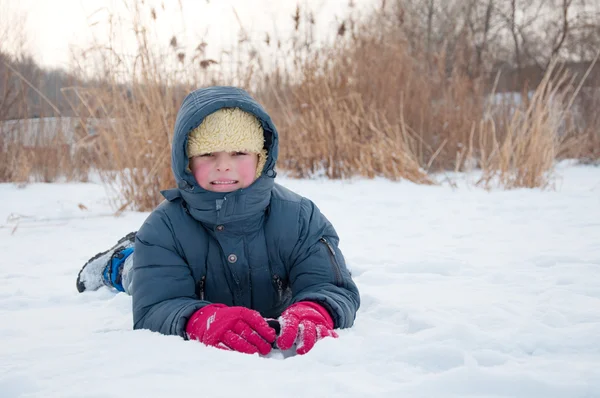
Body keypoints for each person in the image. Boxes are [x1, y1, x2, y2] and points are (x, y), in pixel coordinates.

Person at [76, 86, 360, 356]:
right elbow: (155, 306)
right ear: (187, 161)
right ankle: (121, 259)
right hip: (156, 260)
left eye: (239, 153)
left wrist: (316, 309)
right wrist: (198, 318)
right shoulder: (163, 229)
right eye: (208, 154)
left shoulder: (299, 218)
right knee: (137, 272)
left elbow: (330, 284)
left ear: (261, 158)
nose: (224, 165)